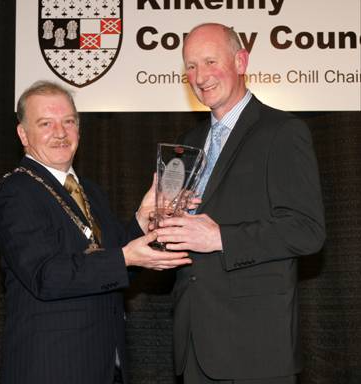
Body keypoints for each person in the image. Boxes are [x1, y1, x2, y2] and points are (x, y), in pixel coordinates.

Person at [155, 23, 326, 384]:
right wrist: (163, 226)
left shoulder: (282, 132)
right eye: (190, 66)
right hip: (194, 342)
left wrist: (221, 238)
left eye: (209, 61)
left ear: (241, 61)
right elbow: (187, 236)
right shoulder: (188, 142)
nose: (200, 76)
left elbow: (307, 231)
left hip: (254, 346)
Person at [0, 80, 192, 384]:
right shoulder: (15, 193)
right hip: (52, 366)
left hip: (106, 364)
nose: (60, 132)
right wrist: (124, 257)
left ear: (79, 128)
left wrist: (142, 217)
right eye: (46, 123)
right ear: (22, 133)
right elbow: (47, 276)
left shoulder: (90, 191)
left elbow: (113, 265)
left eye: (69, 121)